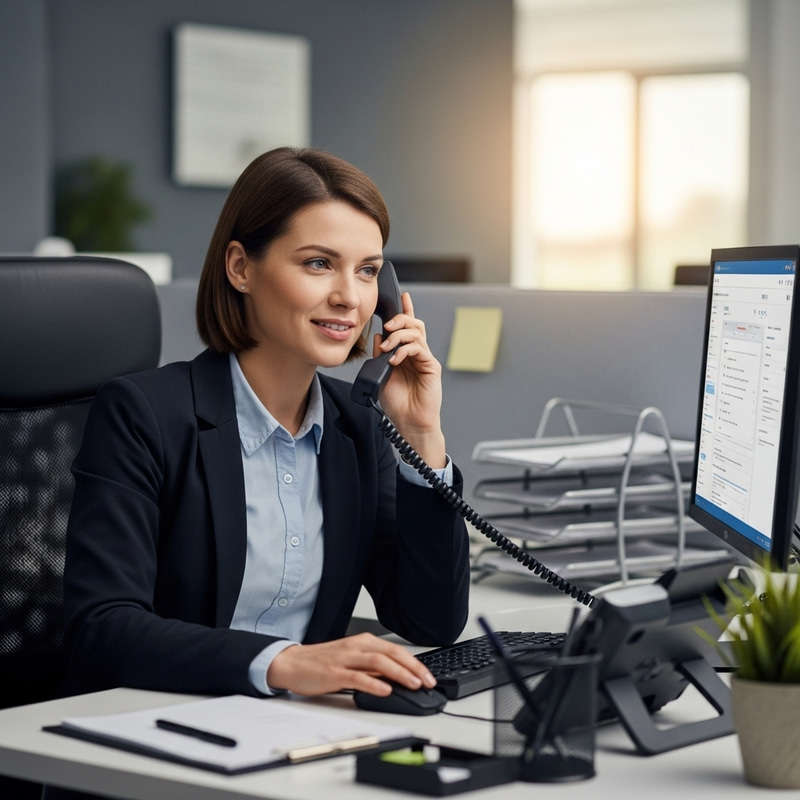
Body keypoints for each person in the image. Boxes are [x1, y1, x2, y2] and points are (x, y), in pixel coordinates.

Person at [62, 146, 471, 701]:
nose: (349, 298)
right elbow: (102, 627)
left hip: (303, 729)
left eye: (368, 271)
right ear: (240, 268)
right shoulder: (144, 414)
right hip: (164, 719)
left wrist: (422, 437)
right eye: (318, 263)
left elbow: (432, 621)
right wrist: (284, 663)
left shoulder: (358, 427)